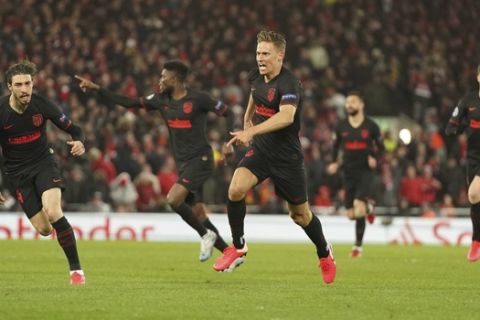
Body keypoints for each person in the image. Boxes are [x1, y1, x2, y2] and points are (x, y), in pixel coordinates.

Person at [212, 30, 336, 284]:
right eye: (258, 52)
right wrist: (246, 124)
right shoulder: (256, 76)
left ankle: (324, 253)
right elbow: (254, 96)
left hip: (287, 158)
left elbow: (286, 117)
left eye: (266, 53)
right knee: (235, 189)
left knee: (300, 215)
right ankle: (238, 247)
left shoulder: (290, 83)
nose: (260, 58)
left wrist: (252, 130)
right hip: (262, 150)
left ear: (280, 56)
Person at [75, 60, 231, 262]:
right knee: (198, 213)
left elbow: (227, 112)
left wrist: (229, 141)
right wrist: (97, 88)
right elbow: (128, 102)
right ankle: (228, 252)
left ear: (175, 79)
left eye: (163, 76)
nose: (160, 80)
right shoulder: (161, 100)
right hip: (184, 164)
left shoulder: (199, 99)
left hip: (201, 159)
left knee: (173, 199)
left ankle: (205, 235)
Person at [0, 60, 86, 285]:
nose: (24, 89)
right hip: (16, 173)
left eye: (28, 83)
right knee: (45, 229)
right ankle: (59, 233)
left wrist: (80, 141)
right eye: (18, 84)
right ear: (10, 87)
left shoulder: (43, 105)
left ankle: (76, 271)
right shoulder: (1, 112)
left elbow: (75, 129)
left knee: (53, 211)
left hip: (43, 164)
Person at [327, 92, 384, 258]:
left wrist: (375, 158)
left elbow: (381, 147)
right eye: (347, 103)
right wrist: (333, 162)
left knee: (359, 207)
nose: (349, 105)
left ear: (361, 104)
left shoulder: (371, 126)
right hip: (347, 171)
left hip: (365, 171)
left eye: (352, 102)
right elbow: (335, 147)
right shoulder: (341, 127)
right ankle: (370, 208)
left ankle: (357, 247)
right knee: (352, 215)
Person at [445, 64, 480, 261]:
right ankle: (477, 241)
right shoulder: (468, 100)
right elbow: (451, 127)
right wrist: (463, 128)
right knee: (475, 198)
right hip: (474, 156)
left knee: (474, 192)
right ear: (478, 77)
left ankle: (476, 241)